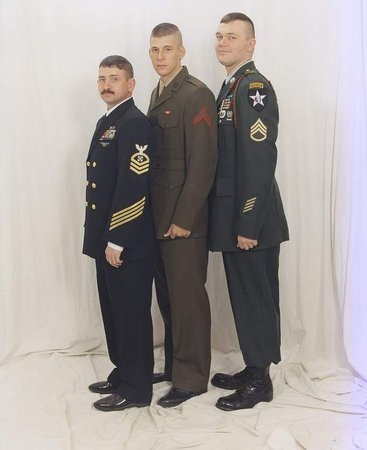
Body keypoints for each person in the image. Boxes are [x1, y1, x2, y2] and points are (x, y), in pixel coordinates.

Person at [209, 13, 289, 411]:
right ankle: (253, 364)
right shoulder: (230, 86)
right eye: (219, 36)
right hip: (234, 217)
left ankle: (261, 380)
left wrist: (247, 222)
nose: (222, 42)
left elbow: (259, 161)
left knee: (256, 297)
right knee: (244, 295)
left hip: (251, 220)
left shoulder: (253, 88)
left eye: (232, 37)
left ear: (251, 44)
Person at [147, 23, 218, 407]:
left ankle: (191, 379)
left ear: (182, 52)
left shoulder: (196, 95)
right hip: (158, 218)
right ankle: (177, 365)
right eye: (155, 50)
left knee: (188, 299)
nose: (161, 57)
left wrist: (185, 219)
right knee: (170, 299)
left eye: (167, 49)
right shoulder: (157, 94)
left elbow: (203, 165)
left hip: (182, 223)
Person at [83, 55, 155, 412]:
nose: (106, 84)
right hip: (106, 239)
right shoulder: (109, 120)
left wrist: (117, 239)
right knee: (114, 310)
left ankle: (138, 388)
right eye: (101, 78)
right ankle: (123, 371)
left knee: (131, 313)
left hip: (127, 241)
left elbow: (133, 185)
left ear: (131, 84)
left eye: (114, 77)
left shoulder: (134, 124)